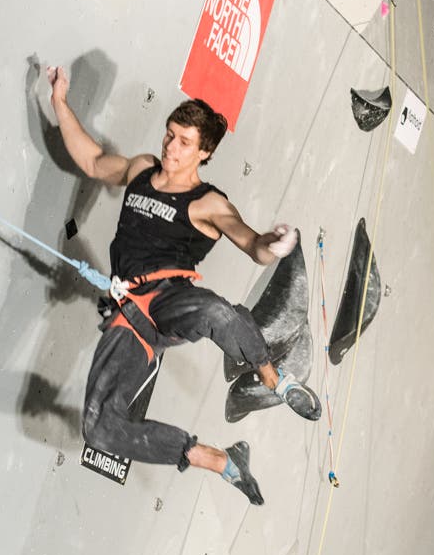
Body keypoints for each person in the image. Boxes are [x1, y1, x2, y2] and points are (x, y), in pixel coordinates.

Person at [46, 66, 319, 505]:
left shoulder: (207, 202)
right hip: (129, 316)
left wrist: (276, 244)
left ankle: (274, 378)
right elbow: (94, 161)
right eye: (170, 135)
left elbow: (251, 243)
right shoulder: (140, 169)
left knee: (214, 313)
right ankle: (218, 460)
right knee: (99, 427)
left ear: (204, 152)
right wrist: (60, 101)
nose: (172, 147)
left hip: (171, 300)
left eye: (185, 142)